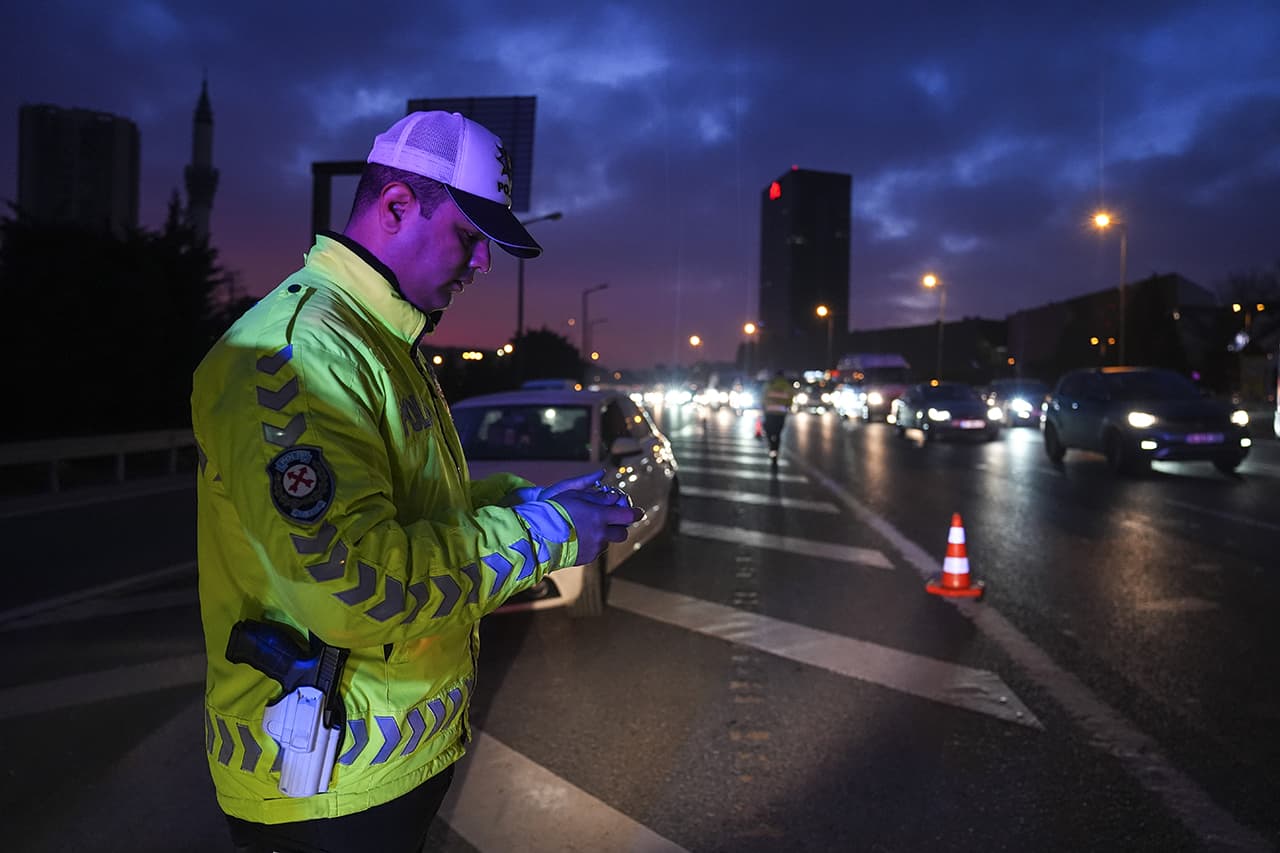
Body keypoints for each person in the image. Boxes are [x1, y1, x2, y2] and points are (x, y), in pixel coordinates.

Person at [191, 110, 644, 853]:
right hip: (322, 791)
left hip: (374, 768)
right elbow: (356, 584)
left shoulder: (379, 340)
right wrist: (548, 533)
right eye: (470, 235)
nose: (484, 263)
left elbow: (413, 507)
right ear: (398, 205)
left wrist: (523, 500)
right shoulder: (298, 354)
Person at [762, 370, 794, 462]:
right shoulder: (787, 386)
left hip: (770, 413)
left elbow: (763, 397)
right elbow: (790, 400)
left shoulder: (769, 385)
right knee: (778, 433)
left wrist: (764, 407)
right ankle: (775, 451)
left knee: (769, 431)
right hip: (781, 414)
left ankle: (772, 447)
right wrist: (786, 407)